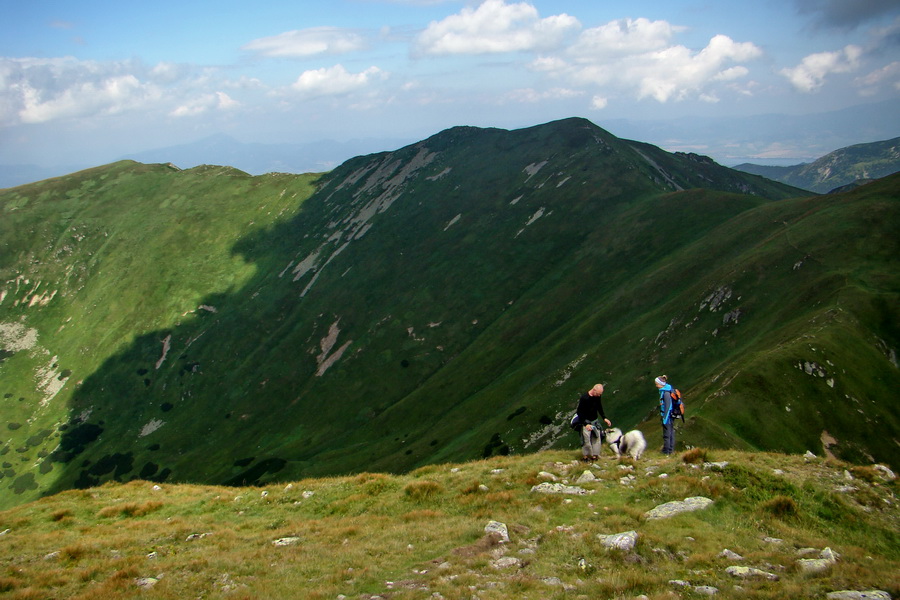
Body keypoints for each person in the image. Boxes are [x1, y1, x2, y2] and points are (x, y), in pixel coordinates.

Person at [576, 383, 611, 461]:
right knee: (586, 440)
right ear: (594, 390)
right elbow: (579, 412)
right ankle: (586, 457)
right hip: (586, 422)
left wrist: (604, 418)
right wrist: (585, 424)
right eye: (598, 394)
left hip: (595, 421)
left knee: (597, 438)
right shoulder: (584, 398)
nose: (599, 396)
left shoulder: (597, 397)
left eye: (600, 394)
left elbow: (599, 406)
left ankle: (595, 456)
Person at [655, 375, 675, 455]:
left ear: (660, 384)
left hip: (667, 417)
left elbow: (668, 406)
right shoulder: (666, 390)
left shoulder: (666, 393)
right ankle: (670, 450)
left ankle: (667, 451)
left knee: (667, 434)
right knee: (670, 433)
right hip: (669, 416)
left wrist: (665, 418)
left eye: (656, 384)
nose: (656, 385)